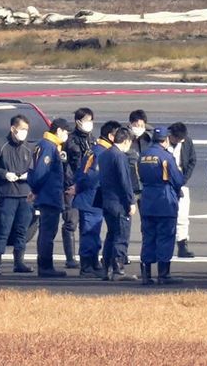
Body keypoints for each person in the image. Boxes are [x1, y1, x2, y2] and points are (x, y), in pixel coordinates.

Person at [0, 115, 37, 276]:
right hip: (7, 194)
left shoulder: (29, 148)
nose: (24, 133)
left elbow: (34, 169)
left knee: (22, 230)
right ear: (13, 129)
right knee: (4, 229)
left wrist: (27, 176)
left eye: (26, 130)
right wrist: (5, 174)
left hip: (25, 194)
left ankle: (19, 262)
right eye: (21, 129)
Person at [136, 127, 186, 286]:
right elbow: (178, 179)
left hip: (147, 199)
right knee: (165, 236)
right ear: (165, 140)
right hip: (164, 200)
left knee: (148, 236)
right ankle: (163, 275)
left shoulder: (143, 155)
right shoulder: (166, 157)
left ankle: (146, 274)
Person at [28, 117, 74, 277]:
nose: (67, 135)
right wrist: (36, 189)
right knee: (48, 232)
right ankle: (45, 266)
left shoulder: (45, 145)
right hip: (49, 196)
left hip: (48, 194)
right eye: (66, 131)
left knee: (46, 232)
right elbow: (40, 172)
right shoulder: (48, 147)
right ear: (59, 131)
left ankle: (45, 265)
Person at [95, 126, 137, 282]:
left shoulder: (105, 154)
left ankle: (106, 268)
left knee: (111, 235)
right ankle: (118, 270)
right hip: (119, 203)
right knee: (121, 236)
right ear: (126, 141)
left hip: (107, 201)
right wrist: (131, 201)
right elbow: (125, 181)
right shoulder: (120, 156)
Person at [60, 108, 95, 270]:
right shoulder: (69, 141)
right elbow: (64, 165)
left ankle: (86, 257)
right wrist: (71, 184)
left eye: (91, 120)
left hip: (87, 186)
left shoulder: (93, 140)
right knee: (70, 221)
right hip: (71, 185)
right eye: (86, 120)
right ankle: (70, 258)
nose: (89, 124)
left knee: (87, 223)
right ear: (78, 122)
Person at [71, 116, 104, 276]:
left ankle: (93, 262)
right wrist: (77, 187)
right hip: (90, 198)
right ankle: (86, 266)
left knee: (94, 233)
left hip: (92, 198)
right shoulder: (99, 152)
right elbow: (89, 177)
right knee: (89, 233)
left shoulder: (94, 148)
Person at [167, 122, 197, 259]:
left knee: (183, 216)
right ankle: (164, 244)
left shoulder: (187, 142)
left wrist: (183, 180)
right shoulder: (162, 142)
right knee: (166, 217)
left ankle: (182, 245)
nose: (180, 141)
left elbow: (192, 161)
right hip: (165, 185)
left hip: (181, 184)